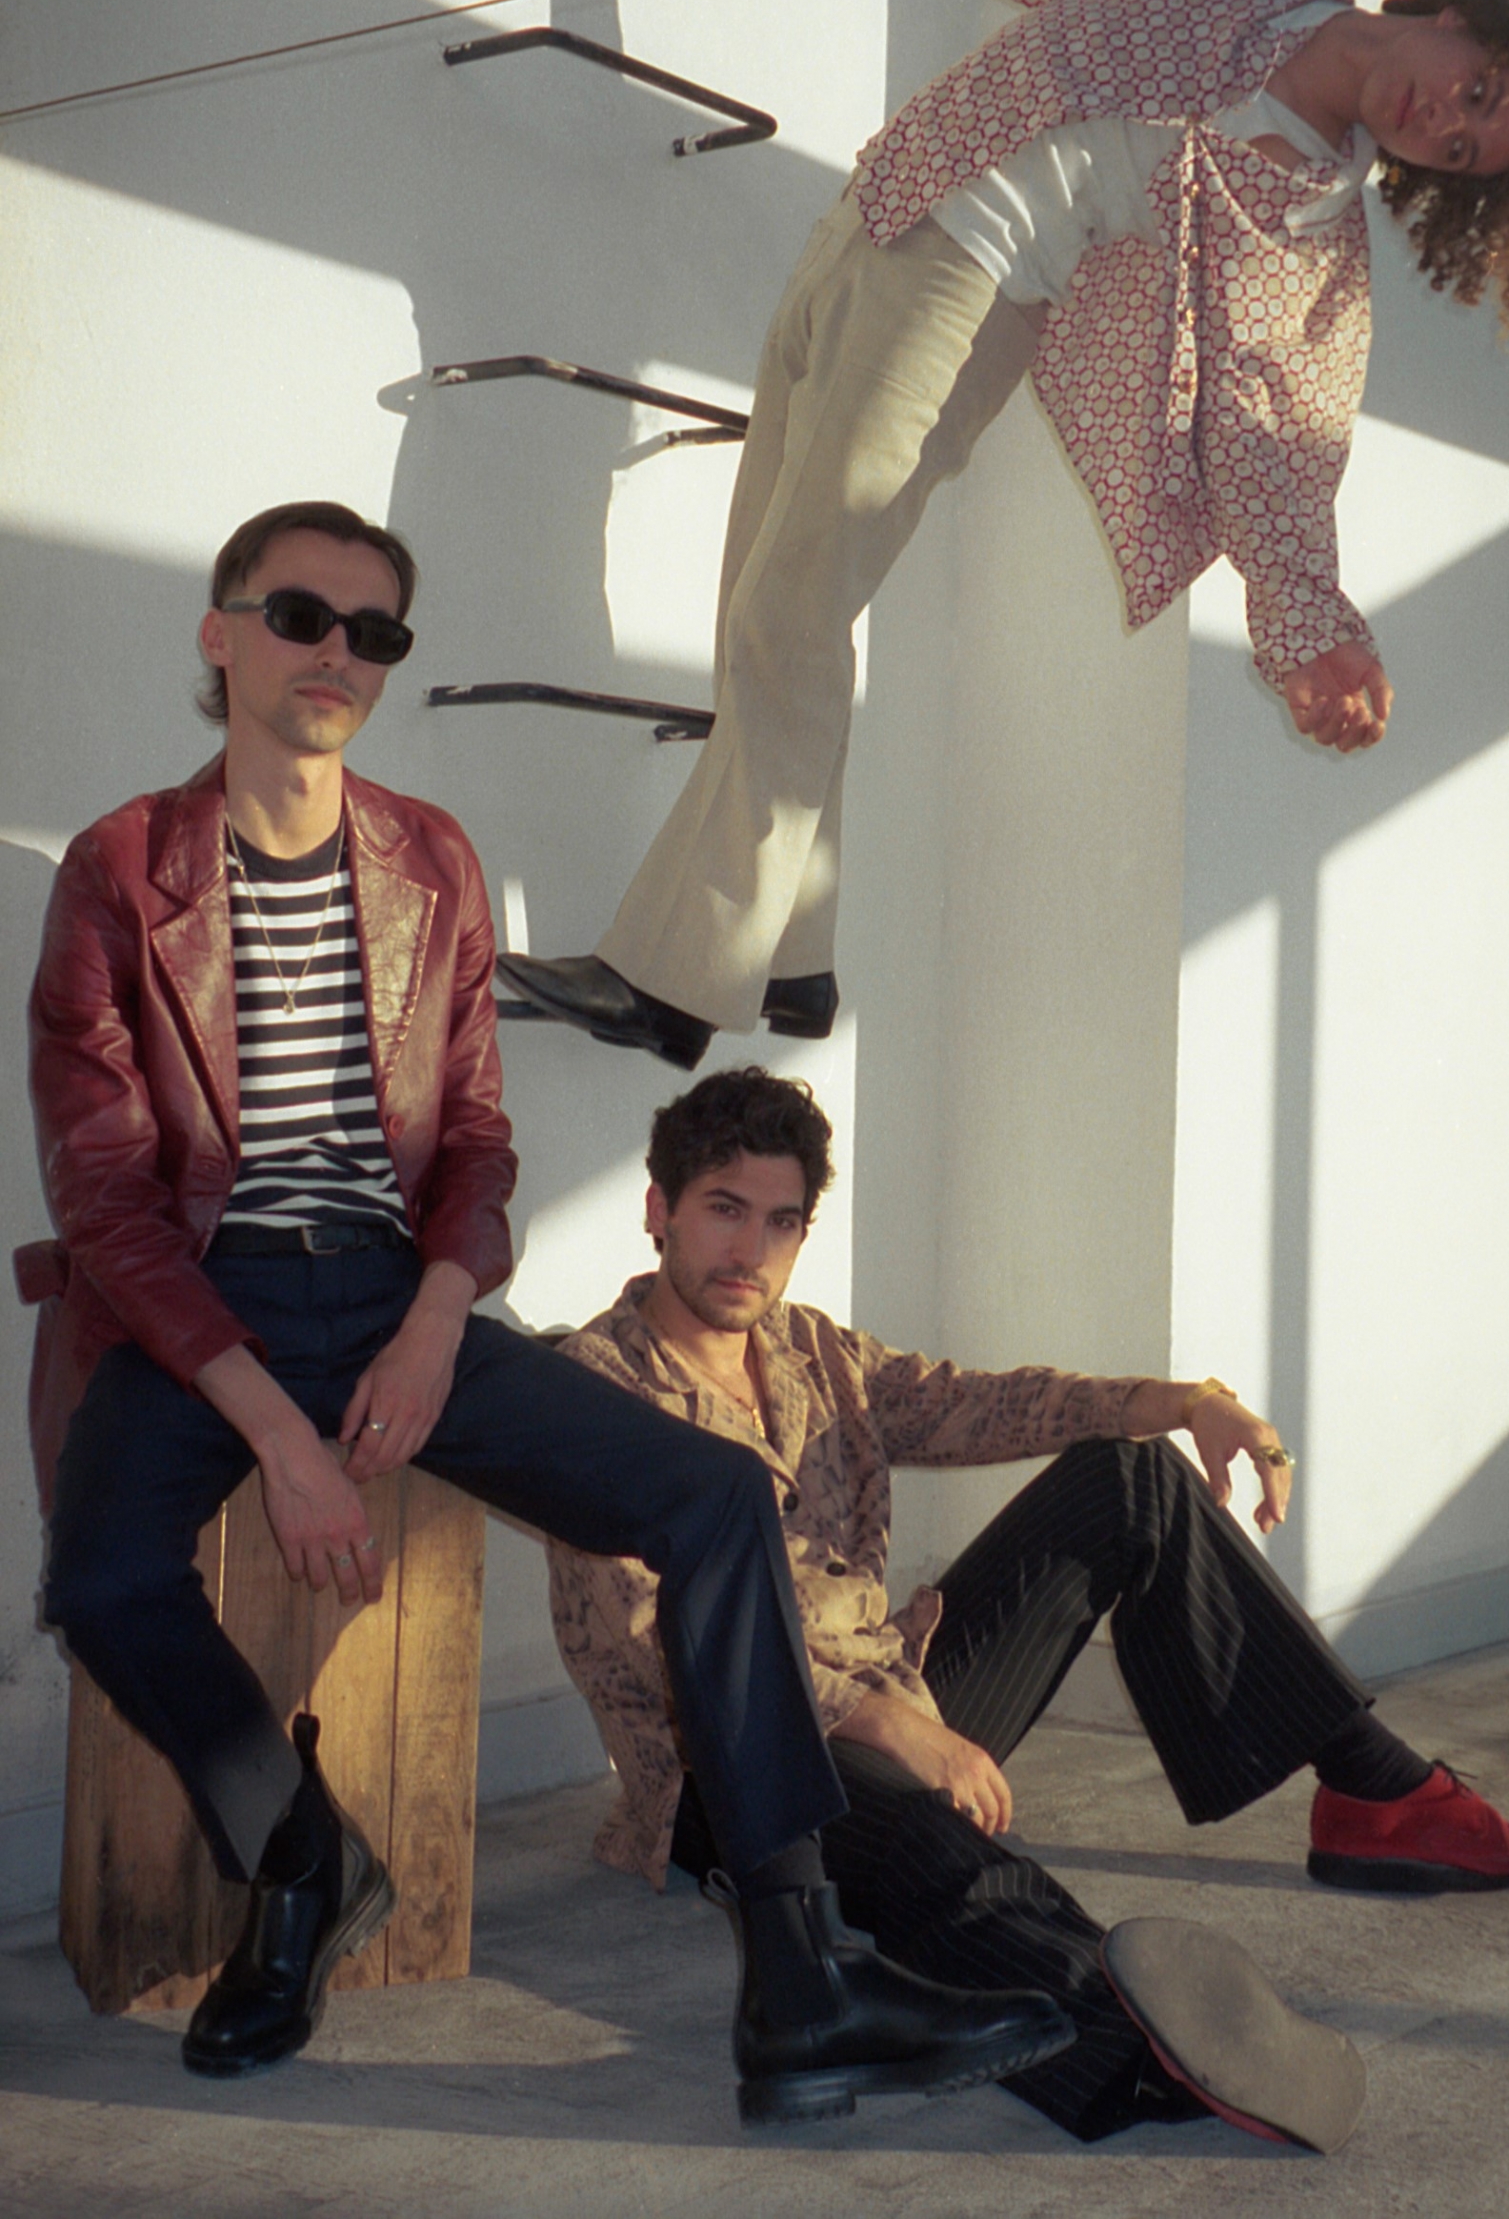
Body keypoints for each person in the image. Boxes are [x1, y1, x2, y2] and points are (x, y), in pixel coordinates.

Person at [20, 499, 1074, 2123]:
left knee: (713, 1496)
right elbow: (104, 1199)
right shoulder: (120, 871)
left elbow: (476, 1142)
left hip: (402, 1294)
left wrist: (439, 1319)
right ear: (220, 635)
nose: (336, 654)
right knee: (98, 1576)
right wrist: (283, 1442)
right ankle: (301, 1865)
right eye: (300, 616)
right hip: (197, 1308)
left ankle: (801, 1983)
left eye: (374, 632)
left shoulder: (428, 859)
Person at [497, 0, 1509, 1068]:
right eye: (1477, 92)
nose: (1442, 124)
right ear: (1457, 18)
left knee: (792, 604)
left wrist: (1310, 631)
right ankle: (793, 960)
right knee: (763, 594)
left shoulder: (1302, 229)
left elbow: (1269, 440)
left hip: (968, 295)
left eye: (1460, 152)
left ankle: (675, 979)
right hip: (887, 201)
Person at [545, 1066, 1509, 2147]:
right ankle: (1134, 2040)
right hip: (725, 1768)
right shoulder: (592, 1388)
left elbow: (984, 1402)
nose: (751, 1251)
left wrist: (1184, 1402)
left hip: (886, 1689)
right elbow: (657, 1643)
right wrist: (898, 1731)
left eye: (781, 1222)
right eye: (724, 1209)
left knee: (1129, 1477)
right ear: (658, 1210)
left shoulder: (809, 1349)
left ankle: (1381, 1798)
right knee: (929, 1857)